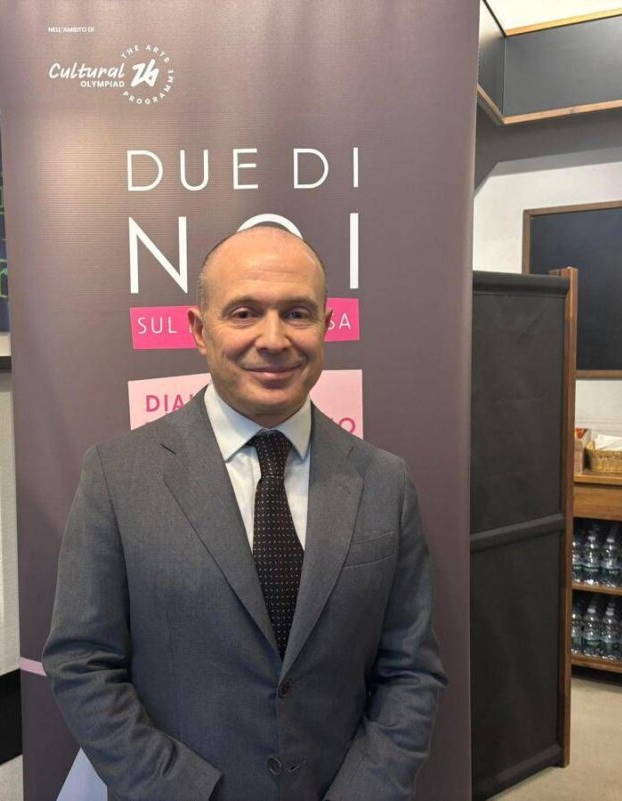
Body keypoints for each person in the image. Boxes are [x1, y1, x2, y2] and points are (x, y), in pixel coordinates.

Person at [43, 226, 446, 800]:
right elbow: (82, 662)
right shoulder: (117, 476)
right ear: (199, 330)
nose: (274, 339)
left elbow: (410, 671)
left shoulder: (385, 483)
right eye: (244, 313)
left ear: (327, 327)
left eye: (298, 313)